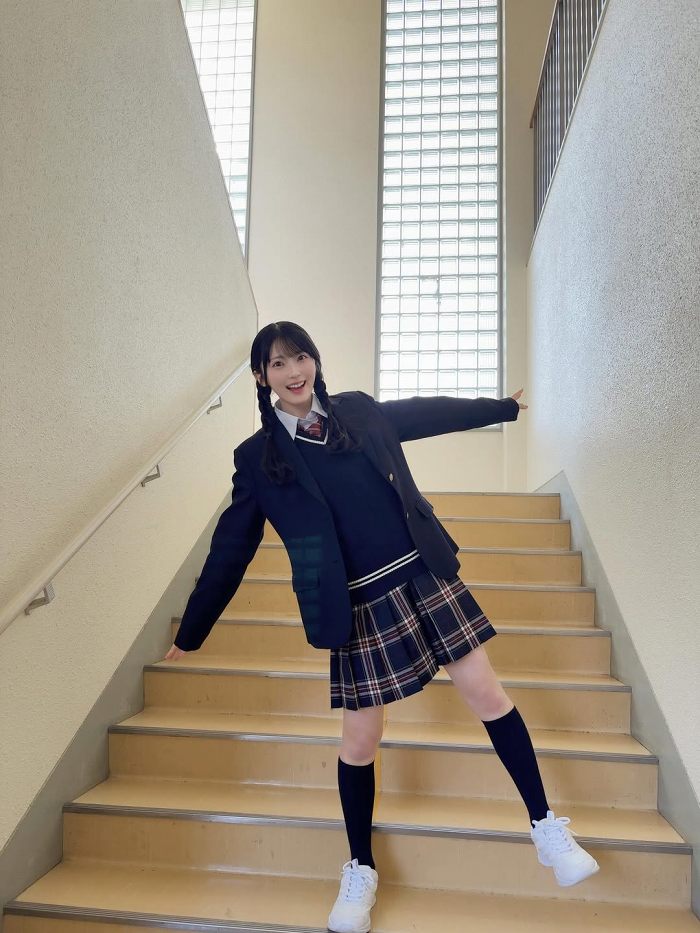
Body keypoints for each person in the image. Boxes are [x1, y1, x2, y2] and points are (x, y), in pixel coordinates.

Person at [165, 321, 599, 933]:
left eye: (300, 357)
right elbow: (231, 548)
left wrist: (500, 407)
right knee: (361, 741)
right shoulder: (257, 459)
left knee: (487, 694)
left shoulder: (359, 412)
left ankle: (546, 828)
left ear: (315, 361)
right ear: (261, 377)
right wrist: (192, 630)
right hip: (355, 604)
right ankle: (360, 867)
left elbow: (424, 413)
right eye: (278, 364)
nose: (293, 372)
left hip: (421, 575)